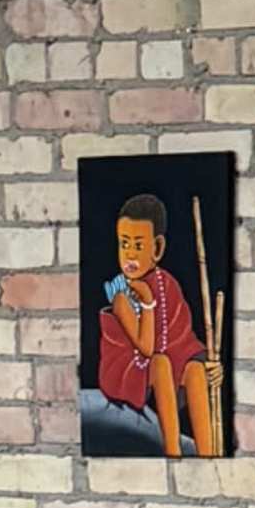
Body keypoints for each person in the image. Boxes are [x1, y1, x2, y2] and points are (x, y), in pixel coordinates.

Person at [90, 190, 221, 461]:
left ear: (157, 248)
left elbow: (183, 340)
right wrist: (148, 303)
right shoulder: (122, 295)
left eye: (138, 246)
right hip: (127, 370)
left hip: (164, 365)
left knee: (195, 370)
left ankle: (208, 456)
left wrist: (210, 366)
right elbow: (147, 349)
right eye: (124, 244)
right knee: (160, 363)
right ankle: (173, 454)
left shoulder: (167, 284)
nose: (129, 254)